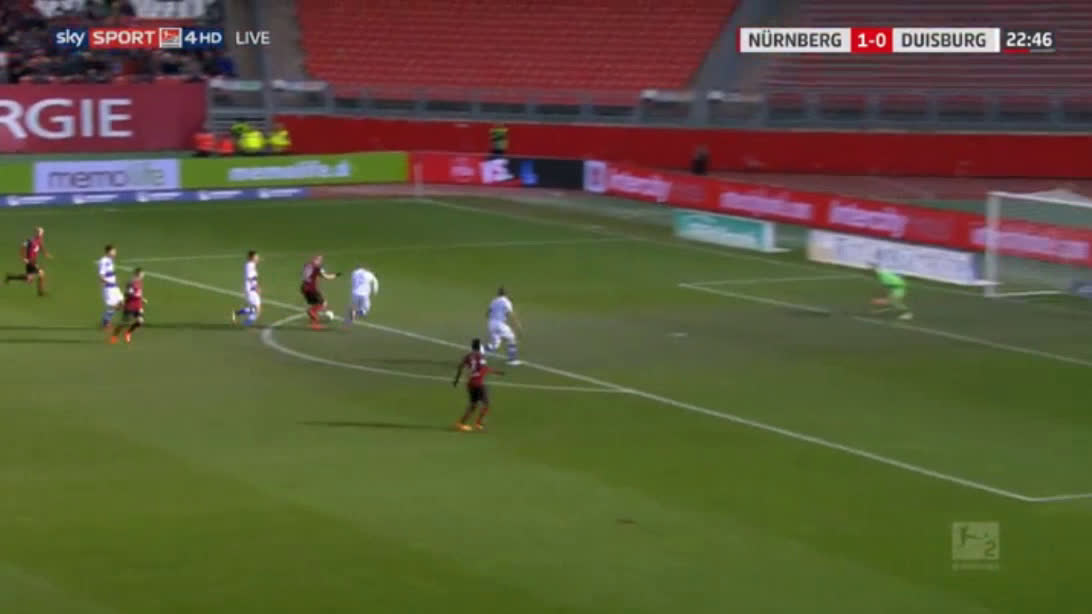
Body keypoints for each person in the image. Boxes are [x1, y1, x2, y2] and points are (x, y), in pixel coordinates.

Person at [452, 338, 504, 431]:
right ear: (479, 347)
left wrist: (456, 380)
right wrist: (496, 372)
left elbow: (460, 367)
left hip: (470, 383)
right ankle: (478, 423)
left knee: (473, 405)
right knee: (486, 404)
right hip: (479, 384)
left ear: (472, 347)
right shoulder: (481, 357)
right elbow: (484, 368)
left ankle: (461, 423)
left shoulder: (468, 356)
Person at [5, 226, 50, 296]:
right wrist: (23, 258)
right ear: (36, 233)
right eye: (39, 232)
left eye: (41, 233)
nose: (40, 234)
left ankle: (10, 277)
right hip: (30, 261)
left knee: (28, 279)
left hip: (34, 261)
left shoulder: (39, 240)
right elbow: (22, 247)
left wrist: (45, 253)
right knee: (41, 273)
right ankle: (40, 292)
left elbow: (41, 247)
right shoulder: (30, 240)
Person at [484, 286, 522, 365]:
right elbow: (511, 314)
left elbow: (487, 314)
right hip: (500, 324)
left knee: (495, 345)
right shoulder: (507, 302)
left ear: (498, 293)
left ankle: (479, 354)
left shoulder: (494, 301)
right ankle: (512, 360)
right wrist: (517, 324)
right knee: (511, 338)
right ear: (506, 293)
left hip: (491, 324)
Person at [300, 255, 340, 329]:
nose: (320, 262)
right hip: (311, 289)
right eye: (319, 260)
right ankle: (312, 312)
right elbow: (327, 277)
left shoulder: (307, 265)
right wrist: (336, 275)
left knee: (316, 304)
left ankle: (314, 323)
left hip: (304, 288)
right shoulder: (317, 268)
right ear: (315, 260)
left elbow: (304, 275)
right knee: (323, 303)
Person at [111, 267, 146, 344]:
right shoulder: (131, 283)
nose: (142, 276)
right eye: (141, 274)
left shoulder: (140, 282)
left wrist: (142, 299)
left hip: (138, 305)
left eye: (142, 274)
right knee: (124, 322)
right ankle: (114, 335)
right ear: (137, 274)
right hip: (130, 305)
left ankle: (128, 333)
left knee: (140, 321)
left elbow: (139, 292)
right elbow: (127, 294)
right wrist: (121, 303)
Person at [97, 244, 123, 330]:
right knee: (112, 306)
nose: (115, 253)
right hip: (109, 287)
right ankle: (105, 322)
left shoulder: (110, 261)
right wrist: (107, 283)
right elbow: (101, 276)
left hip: (114, 286)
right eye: (113, 251)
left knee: (120, 303)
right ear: (108, 252)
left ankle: (106, 320)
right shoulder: (104, 261)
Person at [232, 250, 261, 326]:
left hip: (251, 289)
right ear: (252, 257)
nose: (258, 258)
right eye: (256, 257)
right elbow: (250, 278)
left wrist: (257, 286)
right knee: (256, 309)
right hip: (250, 289)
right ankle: (238, 315)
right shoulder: (249, 266)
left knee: (256, 309)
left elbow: (253, 278)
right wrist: (256, 287)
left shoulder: (251, 265)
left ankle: (245, 323)